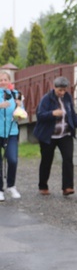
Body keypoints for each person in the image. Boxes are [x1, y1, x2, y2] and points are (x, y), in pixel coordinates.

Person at [33, 76, 77, 196]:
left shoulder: (67, 97)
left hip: (65, 134)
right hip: (49, 136)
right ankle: (43, 186)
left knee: (68, 159)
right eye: (60, 90)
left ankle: (68, 187)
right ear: (54, 88)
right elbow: (40, 115)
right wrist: (52, 113)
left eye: (64, 90)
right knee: (46, 160)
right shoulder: (46, 99)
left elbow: (72, 115)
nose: (62, 92)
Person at [0, 71, 23, 200]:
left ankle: (11, 185)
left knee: (12, 160)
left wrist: (19, 109)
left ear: (9, 81)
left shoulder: (16, 94)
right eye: (0, 80)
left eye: (5, 79)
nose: (2, 82)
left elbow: (22, 114)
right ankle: (0, 189)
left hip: (11, 132)